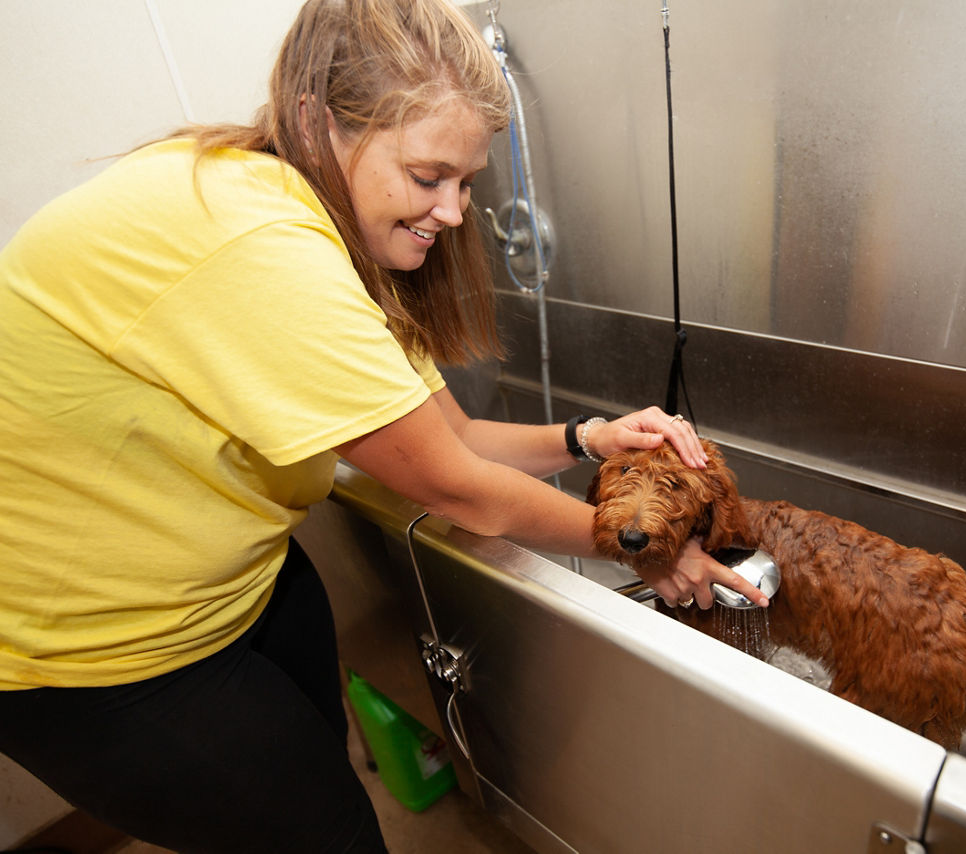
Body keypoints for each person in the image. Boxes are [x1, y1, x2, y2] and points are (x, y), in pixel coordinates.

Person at [0, 0, 767, 851]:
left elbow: (459, 437)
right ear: (316, 121)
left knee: (313, 780)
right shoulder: (261, 245)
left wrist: (590, 436)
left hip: (235, 577)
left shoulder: (310, 225)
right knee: (329, 834)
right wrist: (652, 547)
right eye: (429, 174)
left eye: (468, 181)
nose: (455, 211)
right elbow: (457, 487)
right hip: (88, 650)